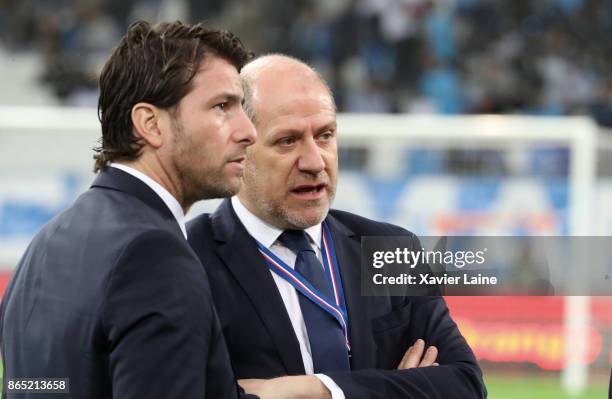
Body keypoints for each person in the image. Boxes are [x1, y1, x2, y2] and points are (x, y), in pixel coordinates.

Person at [187, 54, 487, 398]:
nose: (315, 161)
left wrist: (317, 390)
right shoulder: (189, 260)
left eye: (325, 135)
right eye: (287, 141)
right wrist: (397, 388)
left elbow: (465, 385)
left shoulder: (391, 248)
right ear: (239, 147)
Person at [0, 21, 257, 398]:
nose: (247, 130)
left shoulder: (48, 239)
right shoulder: (154, 253)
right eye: (222, 106)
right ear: (150, 124)